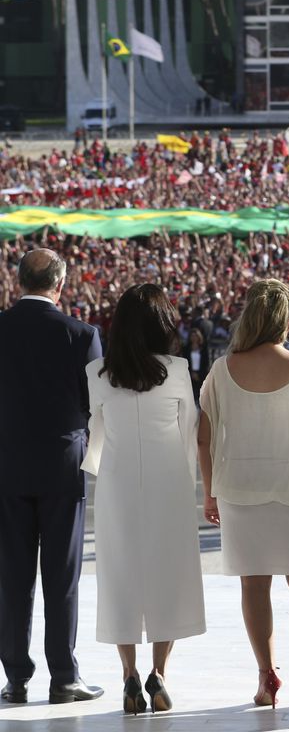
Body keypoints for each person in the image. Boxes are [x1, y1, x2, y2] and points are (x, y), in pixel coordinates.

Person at [198, 279, 289, 710]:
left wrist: (209, 494)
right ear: (286, 319)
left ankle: (267, 676)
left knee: (254, 586)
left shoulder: (222, 371)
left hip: (240, 489)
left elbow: (203, 439)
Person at [82, 284, 205, 714]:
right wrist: (188, 477)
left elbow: (95, 436)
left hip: (117, 482)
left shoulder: (98, 373)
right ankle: (159, 674)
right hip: (168, 480)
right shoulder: (174, 370)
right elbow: (189, 429)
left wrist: (100, 464)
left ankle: (129, 675)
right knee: (167, 574)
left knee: (119, 577)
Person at [0, 249, 104, 705]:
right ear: (59, 285)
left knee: (12, 577)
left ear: (19, 280)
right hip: (63, 464)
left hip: (7, 463)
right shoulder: (82, 333)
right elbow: (96, 405)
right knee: (61, 576)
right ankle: (63, 675)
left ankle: (16, 676)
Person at [181, 327, 210, 403]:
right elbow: (184, 362)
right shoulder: (186, 349)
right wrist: (191, 373)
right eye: (192, 336)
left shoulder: (203, 349)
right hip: (189, 375)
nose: (194, 338)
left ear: (199, 337)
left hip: (201, 375)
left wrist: (199, 375)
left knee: (200, 398)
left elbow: (206, 364)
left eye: (195, 336)